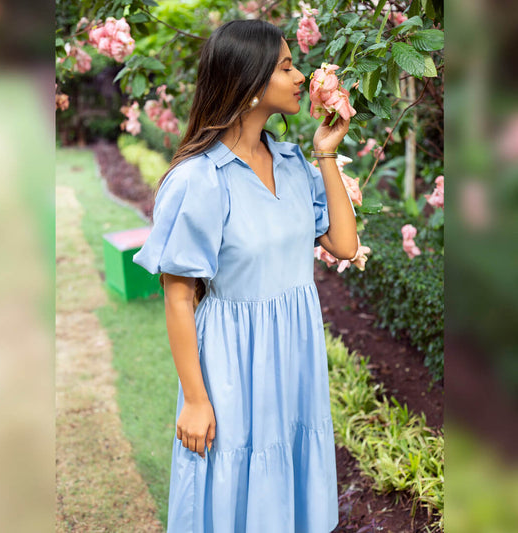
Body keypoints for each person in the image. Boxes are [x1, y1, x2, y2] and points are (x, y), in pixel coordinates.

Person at [133, 18, 358, 533]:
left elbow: (344, 245)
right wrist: (195, 399)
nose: (300, 77)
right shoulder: (199, 179)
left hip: (295, 354)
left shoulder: (293, 162)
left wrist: (326, 151)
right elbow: (178, 297)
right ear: (249, 82)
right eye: (286, 67)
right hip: (233, 360)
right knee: (234, 482)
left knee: (286, 473)